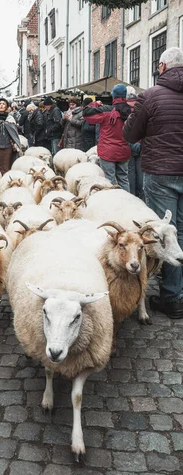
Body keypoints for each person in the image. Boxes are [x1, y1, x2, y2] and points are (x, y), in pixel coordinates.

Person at [123, 47, 183, 318]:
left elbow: (129, 134)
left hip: (160, 171)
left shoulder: (151, 95)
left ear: (161, 67)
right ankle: (176, 290)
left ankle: (172, 296)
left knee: (163, 232)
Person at [83, 84, 131, 191]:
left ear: (113, 96)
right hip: (124, 150)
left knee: (109, 180)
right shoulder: (131, 111)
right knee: (124, 179)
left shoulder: (106, 110)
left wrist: (94, 104)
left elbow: (86, 114)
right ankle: (126, 202)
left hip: (107, 151)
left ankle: (112, 203)